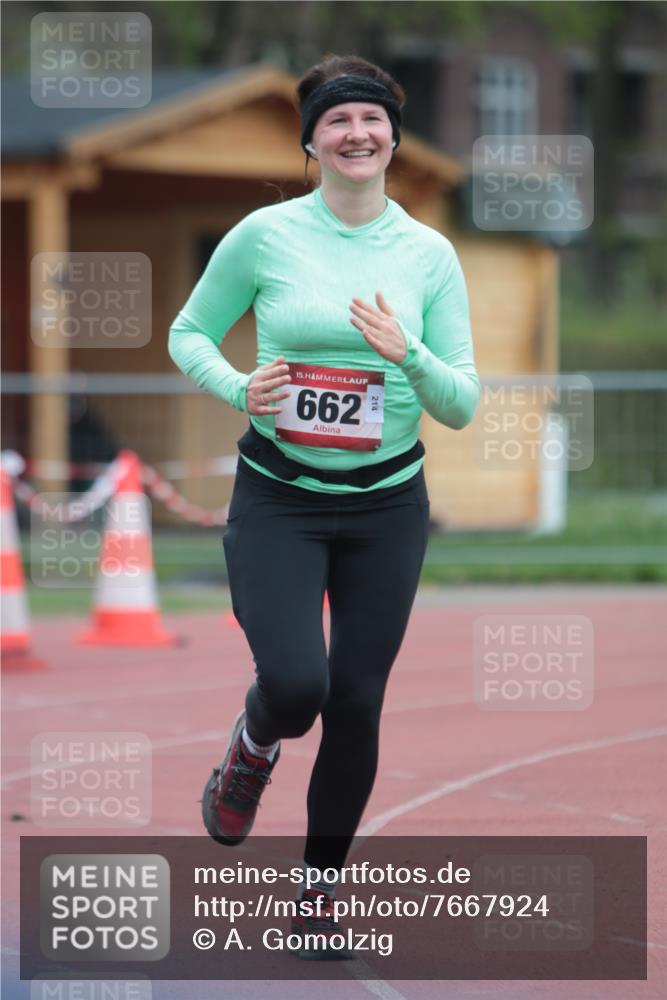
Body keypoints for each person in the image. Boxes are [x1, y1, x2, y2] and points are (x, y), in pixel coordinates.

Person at [168, 52, 480, 960]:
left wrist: (407, 354)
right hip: (280, 498)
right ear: (311, 140)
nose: (356, 133)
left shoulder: (428, 253)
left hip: (386, 505)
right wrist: (237, 387)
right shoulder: (264, 236)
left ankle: (316, 895)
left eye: (372, 120)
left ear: (392, 136)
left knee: (356, 700)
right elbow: (189, 332)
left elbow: (460, 401)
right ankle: (252, 748)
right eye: (337, 121)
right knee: (299, 684)